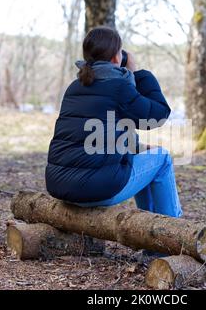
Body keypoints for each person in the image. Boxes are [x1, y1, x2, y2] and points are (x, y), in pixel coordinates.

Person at [45, 26, 182, 218]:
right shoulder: (119, 87)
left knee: (142, 155)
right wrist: (139, 74)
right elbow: (158, 115)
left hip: (61, 185)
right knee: (163, 157)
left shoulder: (75, 87)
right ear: (117, 58)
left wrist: (138, 146)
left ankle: (151, 232)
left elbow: (98, 133)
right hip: (96, 190)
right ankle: (170, 232)